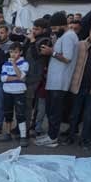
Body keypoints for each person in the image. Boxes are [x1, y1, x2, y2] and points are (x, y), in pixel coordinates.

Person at [36, 12, 77, 148]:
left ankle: (53, 138)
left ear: (62, 25)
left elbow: (67, 58)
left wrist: (51, 52)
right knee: (51, 110)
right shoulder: (63, 36)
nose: (53, 31)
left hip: (60, 81)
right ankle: (50, 134)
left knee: (55, 112)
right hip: (54, 81)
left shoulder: (69, 37)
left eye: (54, 28)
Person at [23, 19, 51, 137]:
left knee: (31, 104)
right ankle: (23, 126)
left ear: (44, 30)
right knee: (25, 103)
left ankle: (28, 128)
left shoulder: (46, 40)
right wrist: (27, 39)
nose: (34, 31)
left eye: (37, 29)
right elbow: (24, 51)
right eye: (33, 28)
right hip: (27, 74)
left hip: (36, 76)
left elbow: (36, 56)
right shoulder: (32, 38)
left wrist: (32, 41)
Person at [0, 42, 30, 147]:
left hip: (19, 92)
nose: (13, 54)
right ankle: (7, 133)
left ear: (20, 52)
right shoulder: (5, 64)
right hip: (7, 92)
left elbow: (22, 76)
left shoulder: (24, 63)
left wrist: (14, 65)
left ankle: (23, 136)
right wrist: (18, 78)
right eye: (11, 52)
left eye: (15, 52)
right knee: (8, 113)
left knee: (20, 115)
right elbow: (3, 78)